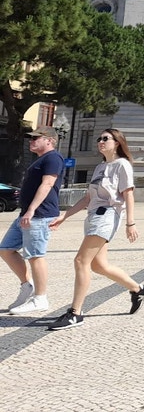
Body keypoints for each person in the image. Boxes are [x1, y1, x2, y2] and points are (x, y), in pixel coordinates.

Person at [46, 129, 144, 330]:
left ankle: (75, 313)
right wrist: (64, 216)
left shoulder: (122, 165)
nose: (100, 142)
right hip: (93, 216)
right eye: (99, 139)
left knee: (80, 261)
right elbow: (87, 198)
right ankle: (138, 289)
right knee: (99, 266)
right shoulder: (100, 166)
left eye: (105, 139)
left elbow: (128, 194)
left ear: (117, 142)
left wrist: (131, 223)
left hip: (108, 215)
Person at [2, 126, 64, 315]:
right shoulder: (40, 160)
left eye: (36, 138)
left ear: (50, 140)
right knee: (5, 249)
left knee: (35, 255)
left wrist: (31, 210)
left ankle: (40, 298)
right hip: (27, 215)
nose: (31, 140)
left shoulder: (53, 158)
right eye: (31, 138)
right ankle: (27, 286)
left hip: (40, 214)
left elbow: (48, 184)